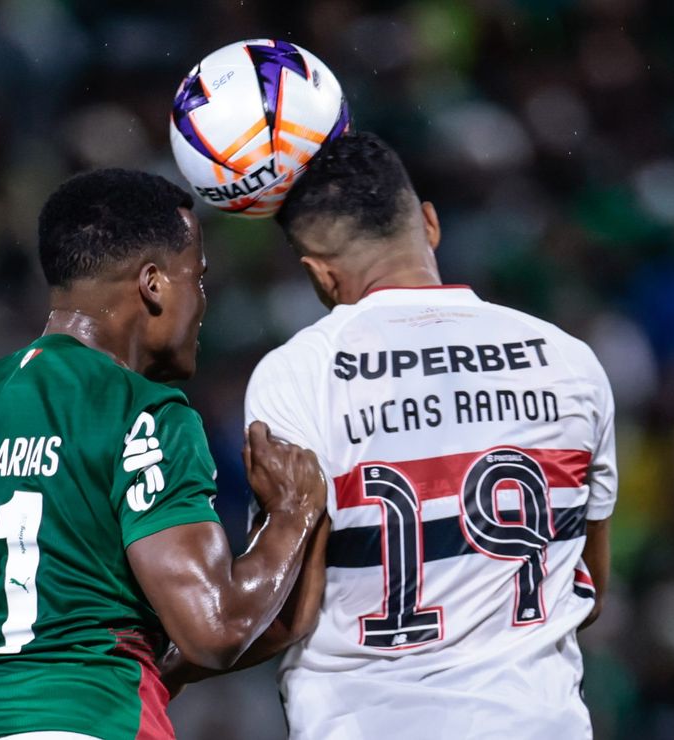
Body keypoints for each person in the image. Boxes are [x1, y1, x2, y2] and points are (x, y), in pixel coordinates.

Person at [0, 168, 327, 740]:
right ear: (153, 283)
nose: (201, 302)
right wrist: (292, 515)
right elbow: (217, 627)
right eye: (196, 278)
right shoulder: (141, 413)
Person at [167, 133, 616, 738]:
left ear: (320, 276)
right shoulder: (570, 360)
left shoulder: (300, 373)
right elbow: (588, 584)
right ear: (429, 223)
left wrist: (169, 666)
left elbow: (286, 612)